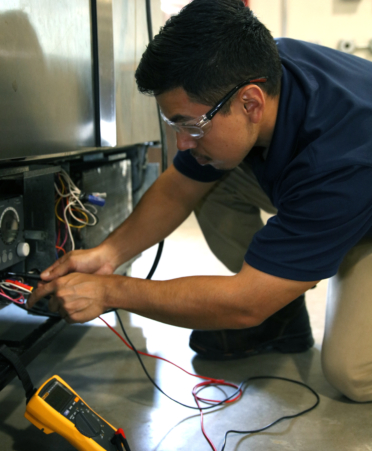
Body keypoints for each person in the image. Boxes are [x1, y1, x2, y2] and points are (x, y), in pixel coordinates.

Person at [27, 0, 372, 402]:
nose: (182, 143)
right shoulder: (251, 65)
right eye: (174, 124)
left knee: (352, 373)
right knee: (214, 178)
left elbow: (245, 304)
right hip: (340, 192)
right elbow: (179, 187)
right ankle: (287, 305)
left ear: (251, 103)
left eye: (190, 125)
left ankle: (291, 280)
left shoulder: (338, 161)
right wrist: (107, 255)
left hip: (359, 192)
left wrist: (110, 291)